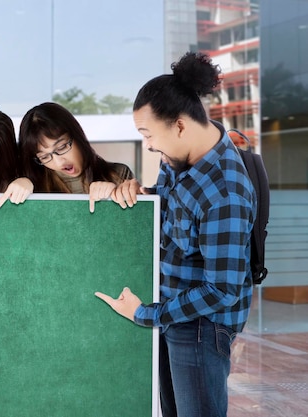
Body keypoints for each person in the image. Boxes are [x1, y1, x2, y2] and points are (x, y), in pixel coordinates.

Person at [94, 52, 256, 417]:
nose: (148, 145)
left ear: (180, 125)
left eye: (148, 135)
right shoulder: (177, 158)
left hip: (201, 328)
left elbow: (222, 289)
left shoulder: (225, 191)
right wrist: (141, 193)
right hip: (173, 315)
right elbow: (171, 210)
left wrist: (147, 314)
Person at [18, 102, 133, 212]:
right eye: (44, 157)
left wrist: (114, 197)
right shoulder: (33, 187)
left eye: (62, 147)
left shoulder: (119, 174)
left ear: (77, 135)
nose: (58, 162)